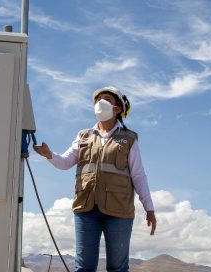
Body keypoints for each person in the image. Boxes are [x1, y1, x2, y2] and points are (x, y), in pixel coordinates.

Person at [33, 86, 156, 272]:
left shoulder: (129, 138)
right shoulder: (84, 136)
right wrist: (49, 154)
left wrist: (149, 208)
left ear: (118, 108)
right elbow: (66, 162)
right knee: (84, 267)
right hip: (86, 208)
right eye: (98, 100)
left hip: (119, 211)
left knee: (117, 268)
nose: (101, 103)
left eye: (106, 99)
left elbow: (138, 175)